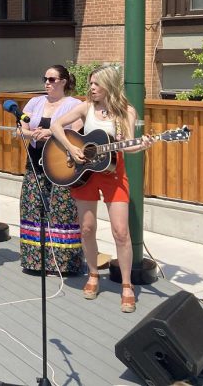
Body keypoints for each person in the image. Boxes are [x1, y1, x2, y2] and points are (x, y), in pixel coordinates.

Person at [50, 65, 153, 313]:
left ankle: (126, 285)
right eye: (91, 84)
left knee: (120, 231)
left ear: (109, 84)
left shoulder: (125, 111)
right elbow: (56, 125)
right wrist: (72, 147)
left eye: (96, 84)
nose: (92, 88)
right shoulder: (86, 108)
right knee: (86, 227)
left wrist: (141, 145)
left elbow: (127, 144)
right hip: (86, 175)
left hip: (114, 174)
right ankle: (93, 274)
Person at [19, 65, 83, 275]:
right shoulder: (35, 102)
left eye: (52, 79)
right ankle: (35, 261)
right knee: (32, 206)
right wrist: (34, 135)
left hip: (61, 162)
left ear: (63, 82)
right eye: (45, 78)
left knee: (61, 210)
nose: (47, 82)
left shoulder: (74, 104)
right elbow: (21, 128)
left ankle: (63, 263)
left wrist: (51, 133)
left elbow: (77, 133)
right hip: (35, 160)